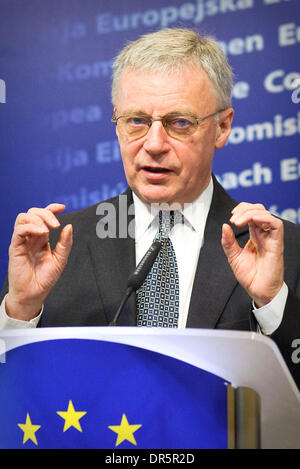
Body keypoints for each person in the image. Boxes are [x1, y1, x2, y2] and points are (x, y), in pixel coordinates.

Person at [0, 28, 299, 387]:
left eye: (180, 123)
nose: (154, 144)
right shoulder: (55, 247)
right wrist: (20, 311)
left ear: (222, 127)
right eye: (137, 121)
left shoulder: (286, 251)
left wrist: (271, 304)